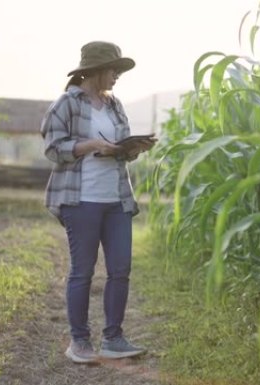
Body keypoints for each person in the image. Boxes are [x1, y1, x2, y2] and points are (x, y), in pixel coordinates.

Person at [40, 41, 156, 364]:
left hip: (116, 198)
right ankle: (79, 342)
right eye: (113, 70)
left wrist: (132, 148)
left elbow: (119, 148)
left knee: (121, 269)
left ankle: (113, 339)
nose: (117, 76)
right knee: (83, 272)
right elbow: (53, 147)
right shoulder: (67, 103)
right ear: (94, 70)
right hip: (82, 199)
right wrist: (90, 144)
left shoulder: (115, 105)